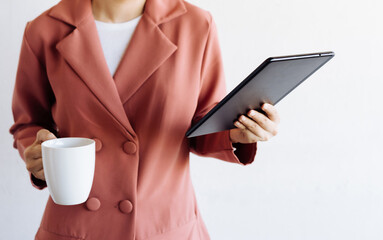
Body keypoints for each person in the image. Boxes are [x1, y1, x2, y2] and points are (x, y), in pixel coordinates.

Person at [9, 0, 280, 239]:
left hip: (164, 226)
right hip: (78, 225)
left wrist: (237, 133)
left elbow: (202, 120)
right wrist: (36, 152)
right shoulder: (43, 29)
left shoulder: (196, 25)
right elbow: (28, 122)